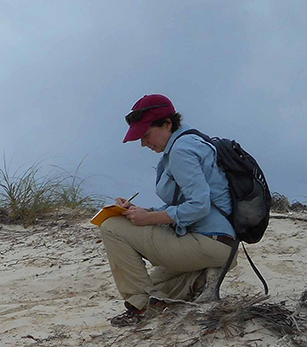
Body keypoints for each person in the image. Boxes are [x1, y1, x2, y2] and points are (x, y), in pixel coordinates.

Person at [100, 94, 235, 327]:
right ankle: (198, 281)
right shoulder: (191, 140)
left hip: (208, 241)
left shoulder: (181, 150)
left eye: (146, 135)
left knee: (111, 226)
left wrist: (149, 218)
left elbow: (199, 206)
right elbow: (187, 202)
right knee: (156, 287)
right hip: (222, 244)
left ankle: (142, 309)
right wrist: (142, 210)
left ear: (167, 124)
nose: (144, 143)